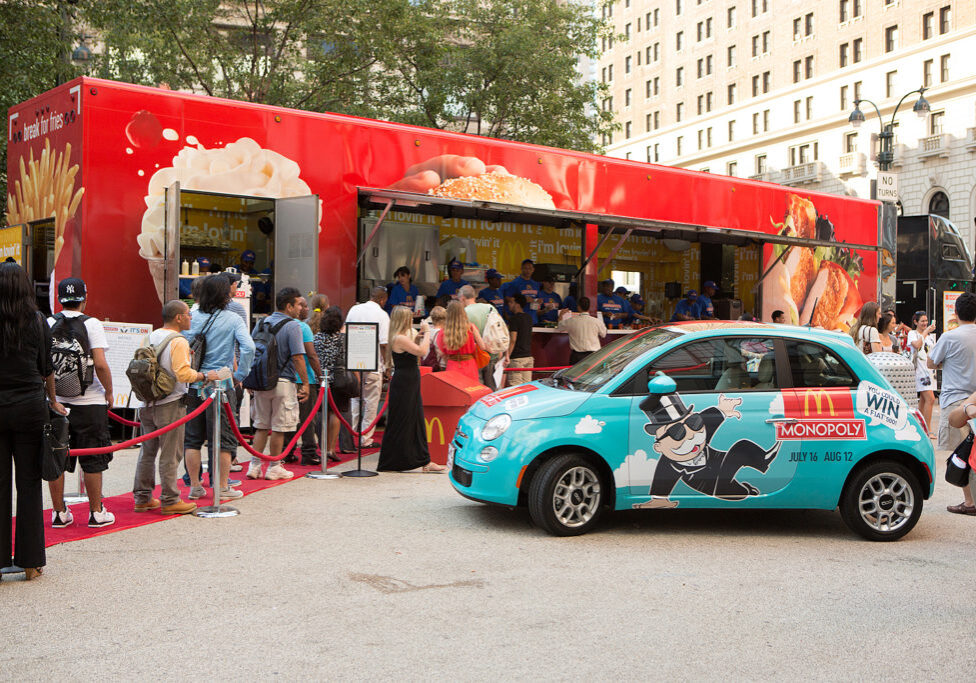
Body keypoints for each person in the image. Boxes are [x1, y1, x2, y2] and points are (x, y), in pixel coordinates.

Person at [0, 263, 65, 581]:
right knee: (28, 484)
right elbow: (46, 368)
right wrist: (53, 401)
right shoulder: (37, 320)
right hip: (28, 406)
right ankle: (30, 561)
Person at [47, 277, 116, 529]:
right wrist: (109, 392)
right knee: (93, 458)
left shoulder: (49, 322)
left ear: (59, 298)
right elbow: (99, 363)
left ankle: (58, 513)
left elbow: (44, 365)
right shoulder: (92, 324)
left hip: (57, 405)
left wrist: (52, 398)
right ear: (84, 298)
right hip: (90, 402)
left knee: (56, 459)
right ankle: (96, 513)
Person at [183, 273, 256, 501]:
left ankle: (195, 485)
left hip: (194, 383)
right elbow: (249, 348)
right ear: (224, 294)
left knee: (192, 438)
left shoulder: (191, 316)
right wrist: (240, 374)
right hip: (222, 384)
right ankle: (222, 487)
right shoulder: (232, 318)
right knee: (223, 439)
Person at [131, 300, 205, 516]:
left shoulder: (150, 336)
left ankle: (142, 497)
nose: (191, 317)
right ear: (179, 317)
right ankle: (170, 499)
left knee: (147, 451)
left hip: (147, 401)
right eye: (188, 314)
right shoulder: (178, 341)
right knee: (170, 454)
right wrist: (203, 375)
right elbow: (182, 373)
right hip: (170, 402)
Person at [247, 287, 311, 480]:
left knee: (260, 425)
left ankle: (254, 465)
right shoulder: (293, 326)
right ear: (289, 306)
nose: (301, 308)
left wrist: (249, 377)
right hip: (283, 381)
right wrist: (306, 384)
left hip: (261, 381)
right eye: (299, 304)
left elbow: (251, 350)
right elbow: (298, 357)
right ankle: (274, 467)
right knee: (279, 427)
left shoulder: (261, 322)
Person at [378, 308, 446, 473]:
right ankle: (417, 461)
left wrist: (418, 336)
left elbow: (412, 350)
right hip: (405, 382)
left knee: (412, 420)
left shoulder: (398, 337)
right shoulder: (399, 338)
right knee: (406, 420)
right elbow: (421, 351)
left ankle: (420, 460)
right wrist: (428, 331)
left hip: (407, 381)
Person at [927, 291, 976, 515]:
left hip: (956, 402)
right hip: (975, 398)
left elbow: (931, 362)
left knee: (962, 453)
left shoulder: (950, 336)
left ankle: (970, 502)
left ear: (955, 313)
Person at [345, 287, 390, 448]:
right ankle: (365, 439)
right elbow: (384, 344)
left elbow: (346, 334)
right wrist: (387, 366)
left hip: (353, 363)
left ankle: (350, 436)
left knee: (354, 400)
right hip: (373, 365)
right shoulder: (382, 315)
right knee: (371, 401)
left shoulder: (354, 309)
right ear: (383, 299)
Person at [283, 295, 322, 466]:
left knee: (288, 417)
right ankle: (309, 452)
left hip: (285, 377)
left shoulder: (280, 325)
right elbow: (311, 355)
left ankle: (287, 451)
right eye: (302, 306)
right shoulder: (303, 327)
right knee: (307, 418)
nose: (306, 309)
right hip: (304, 378)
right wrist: (320, 375)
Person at [313, 306, 348, 463]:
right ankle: (331, 449)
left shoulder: (317, 338)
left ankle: (322, 447)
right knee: (335, 414)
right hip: (338, 380)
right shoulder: (341, 339)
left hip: (320, 380)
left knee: (321, 414)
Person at [436, 300, 487, 382]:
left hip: (452, 365)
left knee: (455, 392)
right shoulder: (471, 327)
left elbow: (442, 353)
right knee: (471, 390)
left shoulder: (443, 331)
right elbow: (482, 346)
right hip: (470, 365)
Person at [460, 285, 499, 389]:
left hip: (475, 358)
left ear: (462, 298)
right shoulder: (490, 308)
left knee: (477, 390)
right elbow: (499, 330)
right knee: (492, 390)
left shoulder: (464, 313)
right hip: (491, 355)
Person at [907, 310, 937, 436]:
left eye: (926, 321)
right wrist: (924, 333)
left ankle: (919, 426)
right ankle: (928, 430)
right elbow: (917, 345)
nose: (925, 323)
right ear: (915, 322)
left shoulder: (930, 336)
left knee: (924, 401)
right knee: (931, 398)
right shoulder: (912, 333)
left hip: (930, 370)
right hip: (920, 370)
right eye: (922, 321)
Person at [556, 297, 607, 364]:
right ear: (589, 307)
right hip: (594, 356)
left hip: (577, 356)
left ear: (578, 307)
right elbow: (604, 334)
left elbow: (559, 327)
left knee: (575, 374)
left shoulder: (572, 321)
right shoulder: (597, 321)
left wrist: (561, 315)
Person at [505, 293, 534, 386]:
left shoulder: (514, 319)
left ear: (517, 304)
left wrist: (507, 356)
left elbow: (513, 339)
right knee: (527, 388)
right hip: (528, 357)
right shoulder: (529, 318)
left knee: (515, 388)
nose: (509, 304)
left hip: (516, 359)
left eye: (511, 302)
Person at [503, 259, 541, 324]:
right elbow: (507, 298)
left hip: (533, 319)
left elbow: (537, 299)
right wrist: (523, 299)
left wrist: (538, 301)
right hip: (520, 319)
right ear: (521, 269)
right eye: (525, 268)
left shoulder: (536, 284)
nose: (528, 271)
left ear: (533, 270)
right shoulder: (515, 283)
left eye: (530, 268)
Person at [421, 306, 447, 370]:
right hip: (440, 365)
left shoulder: (427, 330)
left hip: (427, 364)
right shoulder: (442, 333)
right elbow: (442, 352)